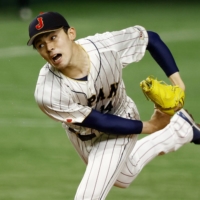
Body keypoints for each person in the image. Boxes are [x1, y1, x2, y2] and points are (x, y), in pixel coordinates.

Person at [27, 12, 200, 200]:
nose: (49, 48)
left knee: (88, 196)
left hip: (121, 115)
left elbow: (150, 38)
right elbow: (99, 121)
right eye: (41, 45)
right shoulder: (47, 92)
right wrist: (152, 126)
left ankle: (180, 129)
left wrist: (178, 84)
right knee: (124, 176)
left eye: (53, 37)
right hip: (83, 134)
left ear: (71, 34)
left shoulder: (105, 47)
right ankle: (181, 129)